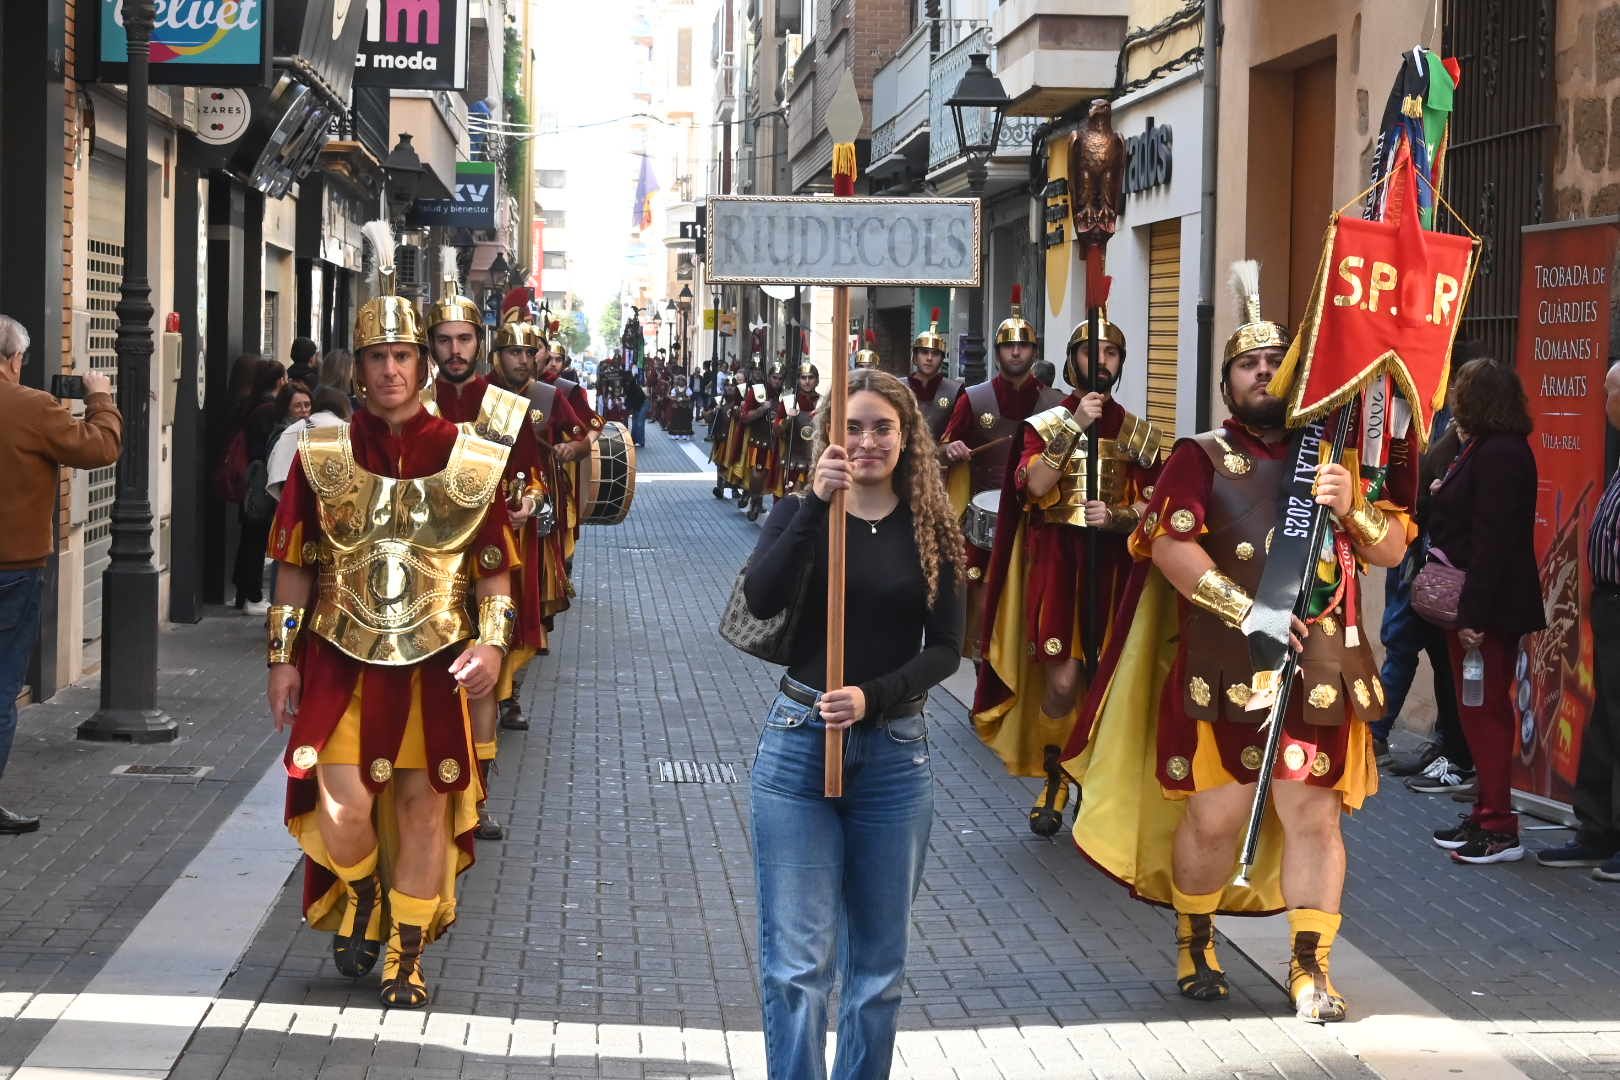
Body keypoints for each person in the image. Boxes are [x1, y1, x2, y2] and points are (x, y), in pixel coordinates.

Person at [1063, 261, 1415, 1023]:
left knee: (1314, 816)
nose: (1262, 372)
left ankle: (1311, 967)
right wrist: (1249, 612)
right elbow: (1170, 545)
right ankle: (1195, 939)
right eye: (1248, 364)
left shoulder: (1338, 456)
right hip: (1227, 666)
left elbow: (1391, 549)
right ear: (1226, 384)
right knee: (1214, 819)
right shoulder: (1199, 456)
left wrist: (1353, 506)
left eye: (1275, 361)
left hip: (1321, 665)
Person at [265, 222, 520, 1008]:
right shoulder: (322, 455)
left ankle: (406, 958)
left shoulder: (470, 458)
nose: (389, 370)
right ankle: (364, 889)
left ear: (423, 364)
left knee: (421, 811)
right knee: (342, 805)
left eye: (402, 355)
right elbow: (296, 564)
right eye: (375, 357)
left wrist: (492, 648)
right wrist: (280, 659)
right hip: (340, 657)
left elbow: (494, 573)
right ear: (358, 365)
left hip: (435, 660)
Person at [743, 368, 964, 1080]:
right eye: (853, 427)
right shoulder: (801, 511)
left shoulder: (932, 527)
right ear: (830, 435)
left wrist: (874, 696)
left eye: (882, 428)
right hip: (799, 750)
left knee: (878, 970)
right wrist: (815, 501)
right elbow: (761, 595)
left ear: (906, 438)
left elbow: (947, 649)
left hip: (895, 757)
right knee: (798, 967)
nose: (868, 441)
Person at [973, 312, 1166, 832]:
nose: (1100, 361)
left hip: (1113, 570)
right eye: (1090, 352)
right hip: (1058, 564)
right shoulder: (1044, 425)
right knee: (1061, 682)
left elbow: (1157, 507)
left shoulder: (1138, 432)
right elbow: (1033, 486)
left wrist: (1120, 517)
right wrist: (1075, 424)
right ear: (1072, 358)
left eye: (1110, 353)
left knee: (1107, 682)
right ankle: (1056, 773)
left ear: (1120, 363)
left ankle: (1095, 781)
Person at [0, 315, 122, 835]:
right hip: (13, 570)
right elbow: (101, 447)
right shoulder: (31, 406)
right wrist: (100, 397)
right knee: (2, 685)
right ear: (13, 359)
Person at [1424, 357, 1545, 865]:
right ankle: (1484, 812)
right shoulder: (1481, 446)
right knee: (1476, 711)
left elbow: (1492, 541)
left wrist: (1472, 616)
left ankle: (1499, 827)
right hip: (1481, 603)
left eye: (1460, 390)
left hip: (1489, 608)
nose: (1453, 397)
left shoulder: (1500, 453)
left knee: (1487, 712)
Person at [938, 285, 1064, 655]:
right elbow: (943, 449)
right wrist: (951, 449)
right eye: (1008, 346)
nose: (1016, 351)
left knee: (1033, 606)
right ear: (997, 353)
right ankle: (984, 673)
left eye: (1023, 345)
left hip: (1039, 518)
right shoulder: (973, 398)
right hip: (985, 522)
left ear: (1034, 351)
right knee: (983, 612)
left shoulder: (1056, 404)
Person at [1542, 360, 1620, 881]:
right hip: (1609, 603)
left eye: (1608, 392)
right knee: (1605, 721)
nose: (1603, 403)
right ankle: (1596, 831)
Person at [233, 359, 287, 611]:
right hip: (261, 479)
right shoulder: (268, 410)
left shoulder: (249, 404)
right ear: (279, 381)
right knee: (257, 538)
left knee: (249, 536)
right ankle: (252, 595)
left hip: (250, 477)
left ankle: (243, 592)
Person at [267, 386, 349, 501]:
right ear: (286, 408)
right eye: (297, 406)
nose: (304, 410)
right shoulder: (284, 434)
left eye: (307, 405)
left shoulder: (313, 428)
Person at [738, 359, 787, 521]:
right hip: (760, 440)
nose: (777, 381)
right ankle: (755, 501)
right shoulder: (758, 391)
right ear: (769, 377)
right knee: (758, 475)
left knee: (778, 478)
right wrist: (761, 409)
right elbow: (744, 416)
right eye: (774, 377)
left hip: (779, 442)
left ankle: (774, 508)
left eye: (780, 378)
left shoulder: (787, 395)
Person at [777, 363, 820, 495]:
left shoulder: (823, 402)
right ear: (798, 380)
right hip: (794, 460)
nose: (807, 381)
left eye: (810, 377)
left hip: (817, 461)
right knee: (792, 499)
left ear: (817, 380)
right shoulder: (789, 401)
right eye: (803, 377)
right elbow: (776, 430)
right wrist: (788, 419)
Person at [709, 382, 744, 500]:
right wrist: (715, 411)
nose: (729, 387)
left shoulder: (740, 402)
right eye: (727, 385)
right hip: (721, 438)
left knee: (734, 463)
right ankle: (720, 488)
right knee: (720, 464)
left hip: (735, 439)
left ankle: (734, 489)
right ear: (724, 387)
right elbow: (706, 416)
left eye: (732, 385)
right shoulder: (718, 401)